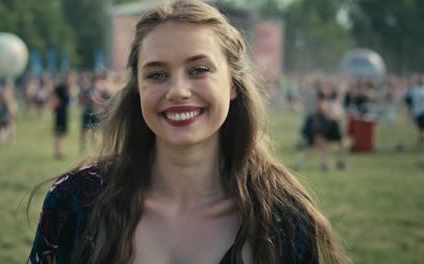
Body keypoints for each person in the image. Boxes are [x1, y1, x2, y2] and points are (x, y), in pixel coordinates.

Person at [27, 1, 350, 263]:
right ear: (137, 88)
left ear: (233, 84)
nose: (178, 91)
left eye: (199, 70)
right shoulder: (75, 200)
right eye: (156, 74)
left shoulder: (283, 215)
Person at [51, 72, 73, 159]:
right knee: (59, 133)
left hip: (63, 112)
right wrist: (55, 104)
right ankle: (58, 152)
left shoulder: (66, 88)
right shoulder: (60, 88)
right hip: (60, 113)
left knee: (61, 134)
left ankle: (60, 151)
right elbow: (53, 97)